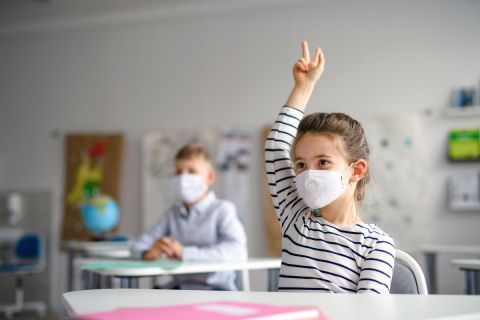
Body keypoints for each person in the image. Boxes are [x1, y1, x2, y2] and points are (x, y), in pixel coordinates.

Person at [265, 41, 395, 293]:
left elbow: (368, 313)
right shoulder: (296, 219)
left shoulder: (376, 244)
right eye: (301, 164)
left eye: (323, 162)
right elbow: (275, 147)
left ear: (356, 170)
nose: (309, 173)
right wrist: (303, 86)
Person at [132, 143, 247, 290]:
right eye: (178, 172)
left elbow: (237, 251)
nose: (183, 178)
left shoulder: (222, 210)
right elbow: (137, 246)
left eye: (192, 171)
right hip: (180, 289)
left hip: (216, 291)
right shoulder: (172, 213)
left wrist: (185, 253)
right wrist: (147, 253)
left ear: (210, 177)